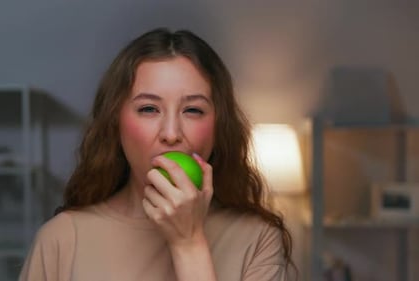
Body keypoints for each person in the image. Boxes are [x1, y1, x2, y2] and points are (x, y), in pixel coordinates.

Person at [19, 27, 295, 281]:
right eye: (149, 109)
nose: (171, 133)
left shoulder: (258, 239)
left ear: (218, 127)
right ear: (116, 123)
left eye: (193, 110)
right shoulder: (61, 239)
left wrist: (189, 243)